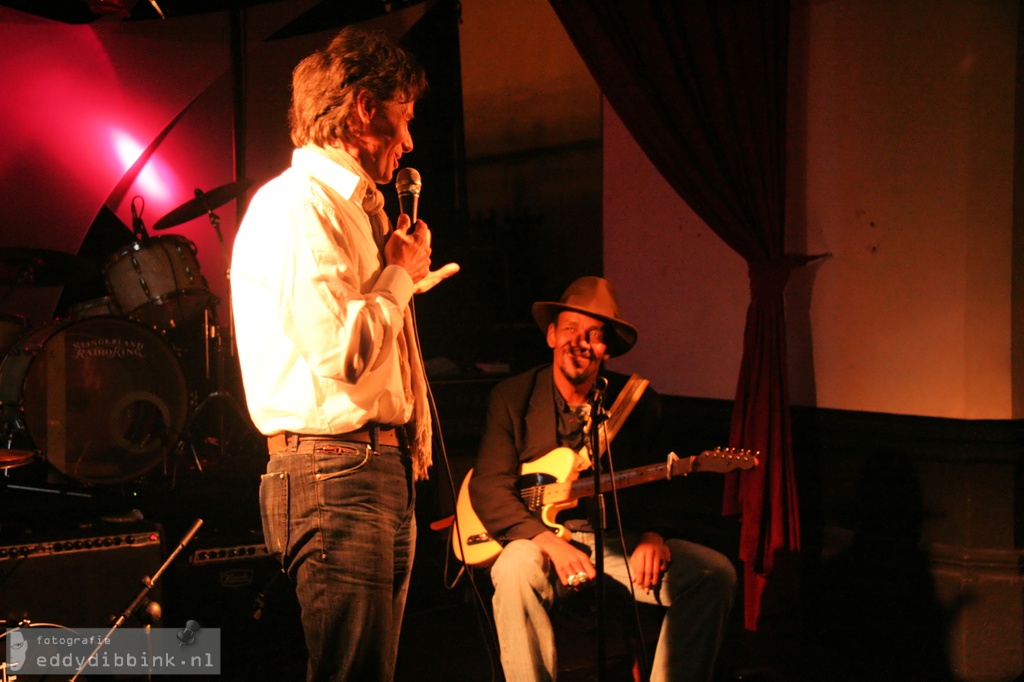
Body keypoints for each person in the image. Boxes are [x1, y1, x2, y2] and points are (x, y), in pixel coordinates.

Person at [230, 26, 457, 682]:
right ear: (364, 109)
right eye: (404, 118)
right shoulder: (301, 208)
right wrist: (400, 276)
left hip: (371, 469)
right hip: (335, 473)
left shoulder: (354, 211)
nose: (410, 142)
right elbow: (340, 349)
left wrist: (403, 276)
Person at [468, 276, 736, 682]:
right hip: (538, 540)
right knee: (513, 569)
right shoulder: (512, 397)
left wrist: (653, 535)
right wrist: (548, 545)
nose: (580, 342)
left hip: (616, 542)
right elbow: (488, 486)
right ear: (552, 336)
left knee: (713, 574)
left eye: (593, 335)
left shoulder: (638, 401)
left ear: (606, 349)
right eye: (571, 330)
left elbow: (660, 482)